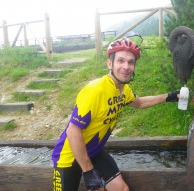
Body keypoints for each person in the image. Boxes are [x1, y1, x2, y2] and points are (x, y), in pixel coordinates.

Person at [52, 37, 180, 191]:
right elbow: (73, 130)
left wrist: (168, 96)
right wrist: (88, 171)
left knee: (121, 189)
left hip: (94, 152)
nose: (126, 66)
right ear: (109, 63)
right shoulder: (95, 90)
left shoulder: (124, 91)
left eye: (131, 62)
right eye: (121, 61)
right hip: (68, 157)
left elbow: (139, 103)